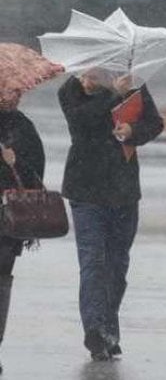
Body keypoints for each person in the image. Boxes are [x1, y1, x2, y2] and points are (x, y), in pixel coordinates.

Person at [58, 69, 164, 361]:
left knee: (117, 264)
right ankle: (94, 330)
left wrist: (134, 132)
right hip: (86, 190)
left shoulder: (132, 85)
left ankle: (107, 328)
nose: (93, 73)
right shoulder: (70, 91)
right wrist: (112, 95)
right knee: (93, 260)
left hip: (123, 190)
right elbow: (82, 122)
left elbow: (154, 123)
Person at [0, 93, 45, 374]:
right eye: (7, 91)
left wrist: (14, 161)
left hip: (9, 220)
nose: (12, 97)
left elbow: (35, 176)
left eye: (17, 92)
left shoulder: (23, 127)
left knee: (2, 279)